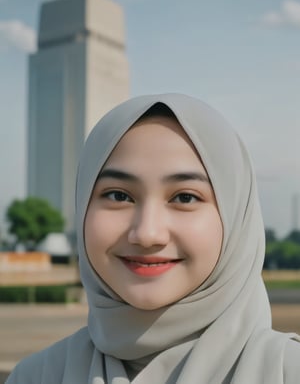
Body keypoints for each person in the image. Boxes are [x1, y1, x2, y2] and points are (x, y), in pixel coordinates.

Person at [6, 93, 300, 383]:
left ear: (237, 216)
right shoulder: (37, 376)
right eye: (118, 195)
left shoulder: (286, 373)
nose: (147, 234)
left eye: (185, 197)